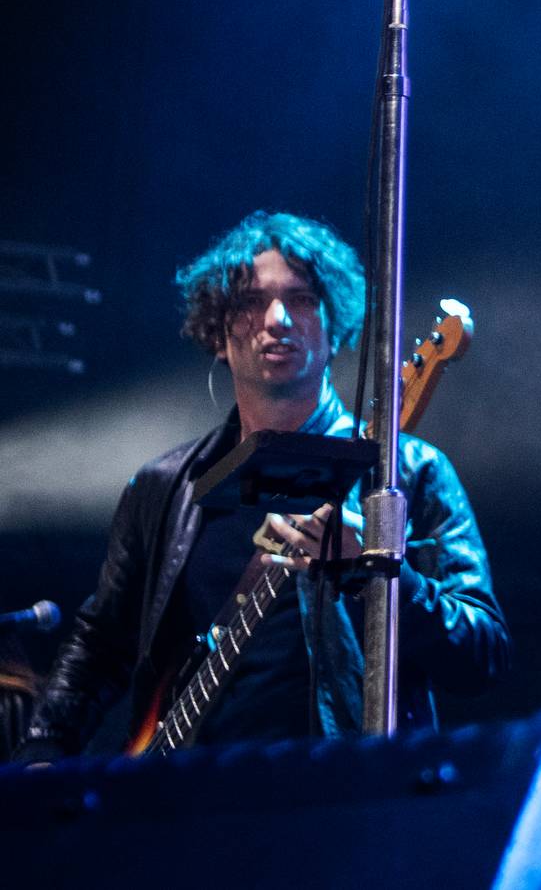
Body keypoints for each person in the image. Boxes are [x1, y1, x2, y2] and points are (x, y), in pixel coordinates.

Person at [15, 211, 508, 760]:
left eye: (301, 299)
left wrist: (379, 574)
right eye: (251, 302)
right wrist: (43, 750)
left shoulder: (409, 471)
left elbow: (481, 652)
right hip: (184, 807)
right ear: (218, 333)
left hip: (339, 801)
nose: (277, 319)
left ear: (335, 323)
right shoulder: (165, 487)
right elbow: (102, 644)